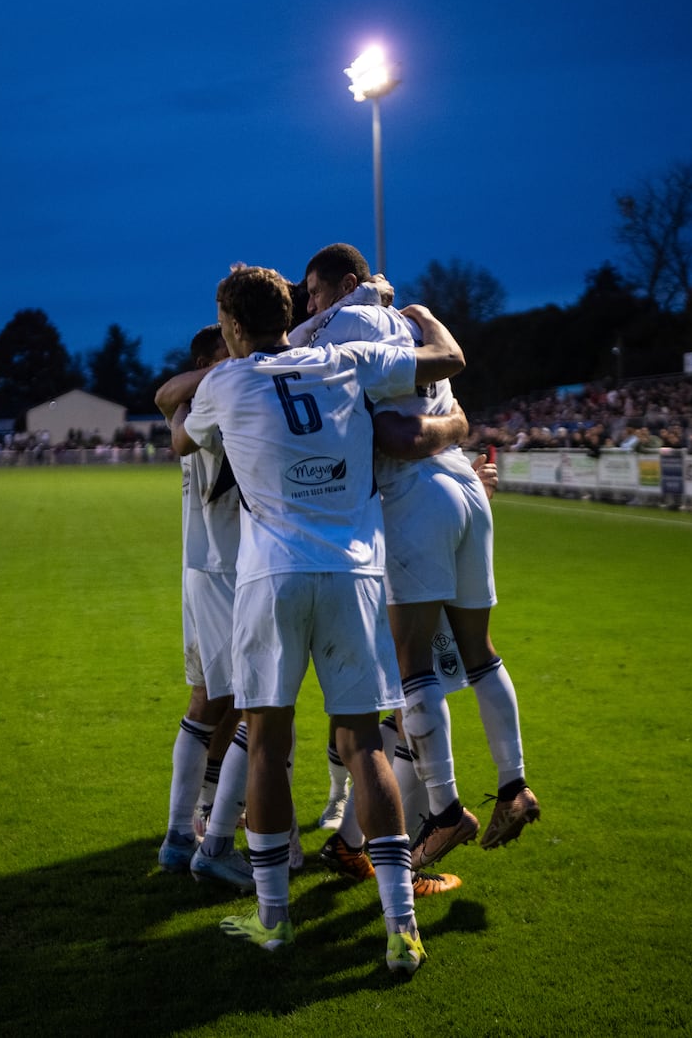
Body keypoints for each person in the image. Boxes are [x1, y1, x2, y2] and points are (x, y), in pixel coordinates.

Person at [170, 263, 466, 972]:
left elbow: (181, 435)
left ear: (234, 327)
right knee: (364, 743)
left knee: (267, 741)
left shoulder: (226, 381)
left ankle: (274, 919)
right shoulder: (346, 359)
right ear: (289, 314)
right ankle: (401, 927)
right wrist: (420, 315)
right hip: (355, 573)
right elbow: (449, 360)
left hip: (271, 575)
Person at [297, 243, 539, 874]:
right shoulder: (408, 319)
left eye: (315, 291)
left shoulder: (345, 326)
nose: (310, 305)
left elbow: (394, 437)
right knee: (481, 652)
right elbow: (451, 403)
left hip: (415, 501)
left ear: (343, 286)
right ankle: (514, 786)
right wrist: (451, 430)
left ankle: (444, 809)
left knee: (413, 670)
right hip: (464, 489)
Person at [153, 325, 255, 888]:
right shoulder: (216, 400)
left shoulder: (196, 405)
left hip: (207, 569)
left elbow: (166, 397)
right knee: (242, 699)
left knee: (226, 702)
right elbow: (168, 395)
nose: (239, 358)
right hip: (228, 571)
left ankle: (198, 822)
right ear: (205, 360)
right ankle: (190, 835)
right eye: (226, 352)